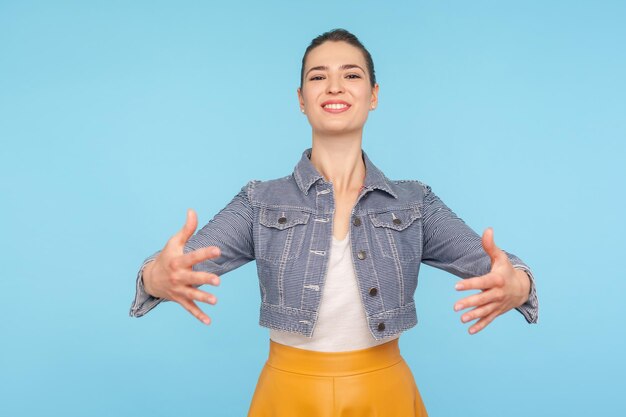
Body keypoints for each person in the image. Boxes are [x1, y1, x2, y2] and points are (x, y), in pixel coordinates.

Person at [130, 28, 539, 416]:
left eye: (352, 74)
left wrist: (516, 285)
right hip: (287, 393)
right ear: (301, 99)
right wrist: (155, 277)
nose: (335, 86)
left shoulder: (416, 202)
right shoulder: (259, 200)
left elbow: (503, 268)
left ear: (373, 95)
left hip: (385, 392)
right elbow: (181, 264)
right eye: (318, 76)